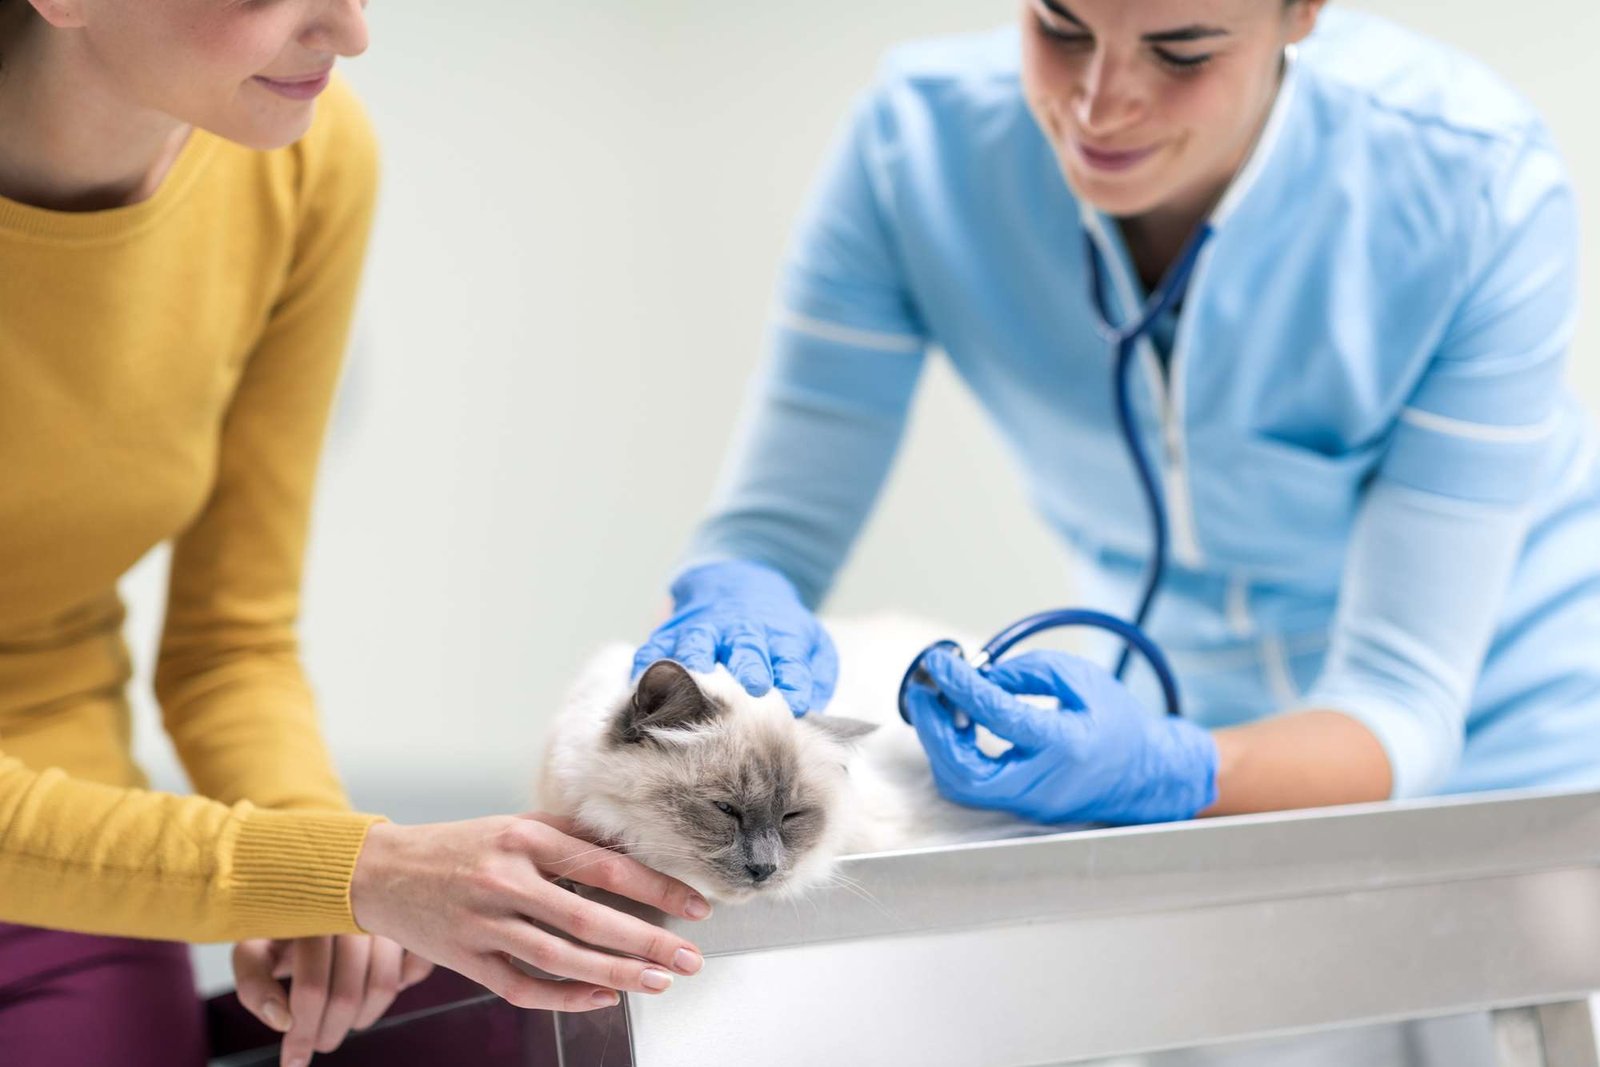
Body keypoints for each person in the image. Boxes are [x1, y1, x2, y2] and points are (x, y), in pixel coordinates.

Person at [636, 0, 1600, 827]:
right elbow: (772, 535)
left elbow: (1405, 697)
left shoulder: (1480, 185)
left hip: (1514, 738)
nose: (1098, 103)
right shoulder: (915, 152)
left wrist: (1173, 769)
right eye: (1061, 26)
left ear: (1304, 11)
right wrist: (731, 601)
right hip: (1168, 717)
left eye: (1181, 51)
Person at [0, 3, 707, 1065]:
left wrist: (328, 877)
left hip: (79, 833)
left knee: (528, 1018)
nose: (349, 29)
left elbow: (230, 642)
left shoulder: (303, 161)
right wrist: (338, 868)